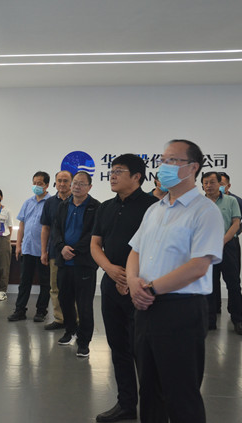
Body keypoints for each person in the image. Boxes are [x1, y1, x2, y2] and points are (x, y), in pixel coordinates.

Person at [128, 139, 224, 423]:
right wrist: (133, 282)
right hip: (146, 308)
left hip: (181, 310)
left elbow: (198, 266)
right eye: (162, 160)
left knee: (181, 393)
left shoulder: (205, 211)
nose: (164, 166)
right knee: (149, 391)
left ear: (193, 167)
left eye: (172, 160)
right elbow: (135, 251)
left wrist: (150, 288)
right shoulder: (155, 209)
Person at [91, 155, 157, 421]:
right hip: (111, 285)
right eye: (112, 171)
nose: (113, 176)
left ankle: (152, 409)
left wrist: (130, 279)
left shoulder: (152, 207)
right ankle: (126, 404)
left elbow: (153, 249)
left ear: (137, 177)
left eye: (119, 171)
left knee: (143, 351)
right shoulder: (105, 207)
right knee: (118, 347)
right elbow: (95, 244)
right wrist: (109, 269)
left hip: (140, 287)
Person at [54, 171, 100, 357]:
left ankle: (84, 341)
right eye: (75, 183)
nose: (77, 186)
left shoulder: (96, 207)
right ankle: (70, 331)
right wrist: (62, 247)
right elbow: (56, 230)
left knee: (84, 305)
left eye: (82, 183)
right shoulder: (63, 205)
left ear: (90, 187)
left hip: (84, 263)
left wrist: (73, 250)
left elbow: (94, 234)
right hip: (64, 263)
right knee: (65, 300)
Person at [201, 171, 242, 335]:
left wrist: (222, 241)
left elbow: (236, 223)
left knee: (233, 284)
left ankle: (238, 320)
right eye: (205, 183)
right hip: (206, 247)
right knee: (210, 285)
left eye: (212, 182)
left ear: (220, 184)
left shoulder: (231, 200)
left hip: (228, 246)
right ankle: (209, 321)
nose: (208, 185)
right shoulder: (198, 203)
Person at [7, 171, 51, 322]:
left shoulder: (51, 202)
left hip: (44, 250)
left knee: (45, 283)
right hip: (27, 248)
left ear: (46, 185)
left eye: (40, 183)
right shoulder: (28, 202)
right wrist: (18, 245)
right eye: (34, 183)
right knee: (24, 282)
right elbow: (22, 224)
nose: (36, 186)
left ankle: (41, 311)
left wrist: (47, 250)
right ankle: (20, 310)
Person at [40, 170, 73, 330]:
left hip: (74, 253)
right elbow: (45, 228)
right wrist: (43, 251)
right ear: (55, 183)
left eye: (65, 181)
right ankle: (60, 319)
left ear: (71, 183)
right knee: (55, 287)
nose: (62, 184)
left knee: (73, 288)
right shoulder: (50, 203)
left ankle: (74, 319)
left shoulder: (78, 200)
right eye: (59, 180)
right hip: (54, 252)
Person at [216, 171, 242, 312]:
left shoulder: (235, 200)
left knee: (233, 280)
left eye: (221, 184)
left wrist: (234, 234)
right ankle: (215, 309)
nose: (217, 186)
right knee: (212, 280)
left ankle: (235, 314)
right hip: (211, 244)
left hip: (230, 244)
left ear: (228, 185)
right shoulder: (206, 201)